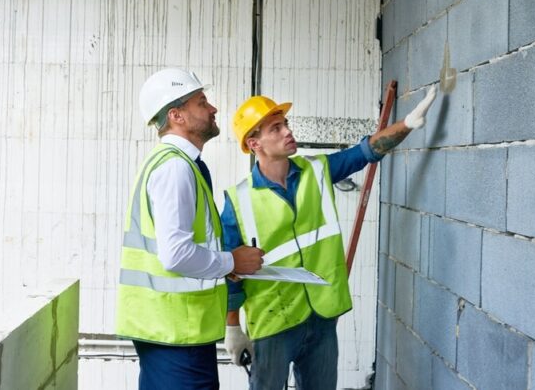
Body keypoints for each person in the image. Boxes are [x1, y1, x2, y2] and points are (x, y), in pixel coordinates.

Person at [221, 86, 437, 390]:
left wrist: (408, 123)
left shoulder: (317, 170)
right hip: (273, 323)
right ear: (254, 142)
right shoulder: (237, 201)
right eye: (276, 127)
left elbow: (365, 152)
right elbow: (231, 272)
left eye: (285, 123)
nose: (287, 131)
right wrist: (232, 327)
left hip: (321, 319)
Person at [116, 68, 264, 390]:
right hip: (176, 334)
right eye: (202, 102)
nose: (212, 109)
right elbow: (176, 254)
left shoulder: (177, 164)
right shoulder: (175, 168)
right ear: (176, 115)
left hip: (174, 330)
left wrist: (224, 268)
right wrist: (232, 262)